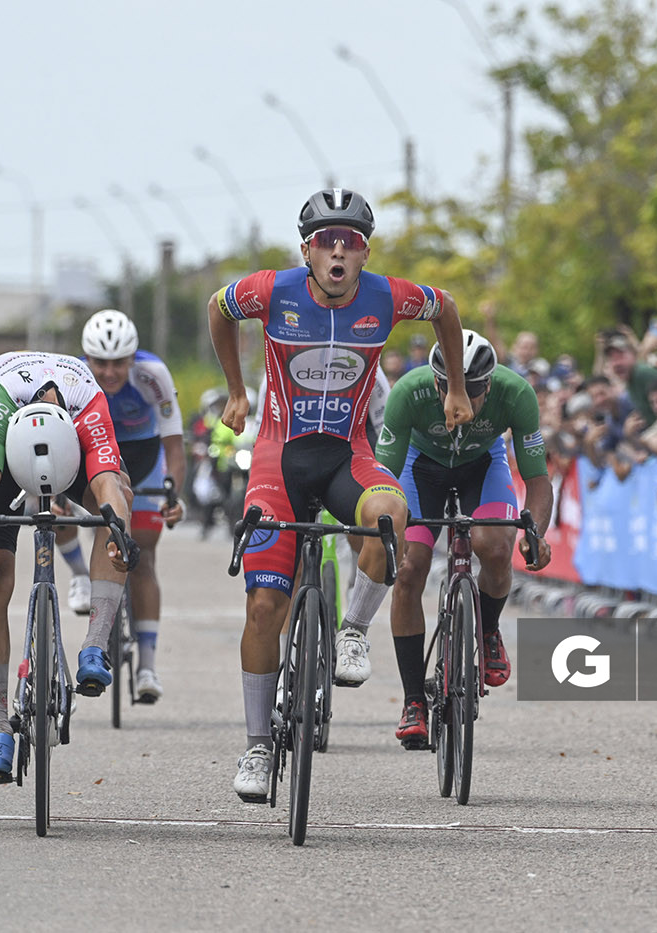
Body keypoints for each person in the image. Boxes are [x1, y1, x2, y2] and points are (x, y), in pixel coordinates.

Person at [207, 187, 471, 802]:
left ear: (364, 253)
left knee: (391, 514)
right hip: (278, 456)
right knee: (263, 608)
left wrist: (456, 387)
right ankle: (256, 745)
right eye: (324, 241)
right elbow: (218, 308)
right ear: (306, 250)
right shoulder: (272, 290)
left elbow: (447, 308)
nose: (336, 252)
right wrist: (236, 389)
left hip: (345, 456)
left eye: (348, 243)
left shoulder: (388, 296)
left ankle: (352, 627)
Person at [0, 350, 136, 784]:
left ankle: (94, 644)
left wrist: (121, 536)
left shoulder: (86, 398)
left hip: (70, 438)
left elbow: (106, 481)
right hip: (6, 449)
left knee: (118, 506)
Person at [376, 330, 554, 745]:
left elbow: (538, 480)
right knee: (410, 568)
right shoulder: (408, 392)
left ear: (489, 384)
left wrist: (535, 532)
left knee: (493, 547)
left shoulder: (517, 394)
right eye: (450, 388)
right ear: (436, 381)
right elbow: (384, 477)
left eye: (474, 392)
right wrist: (386, 530)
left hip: (481, 465)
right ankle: (414, 700)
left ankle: (488, 631)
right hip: (421, 468)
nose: (462, 400)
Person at [53, 309, 186, 703]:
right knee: (58, 514)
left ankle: (147, 665)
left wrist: (173, 494)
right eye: (100, 363)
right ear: (85, 359)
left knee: (142, 553)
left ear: (134, 357)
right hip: (88, 450)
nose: (109, 373)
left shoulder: (153, 375)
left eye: (119, 363)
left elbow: (174, 446)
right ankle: (81, 574)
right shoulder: (69, 375)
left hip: (141, 456)